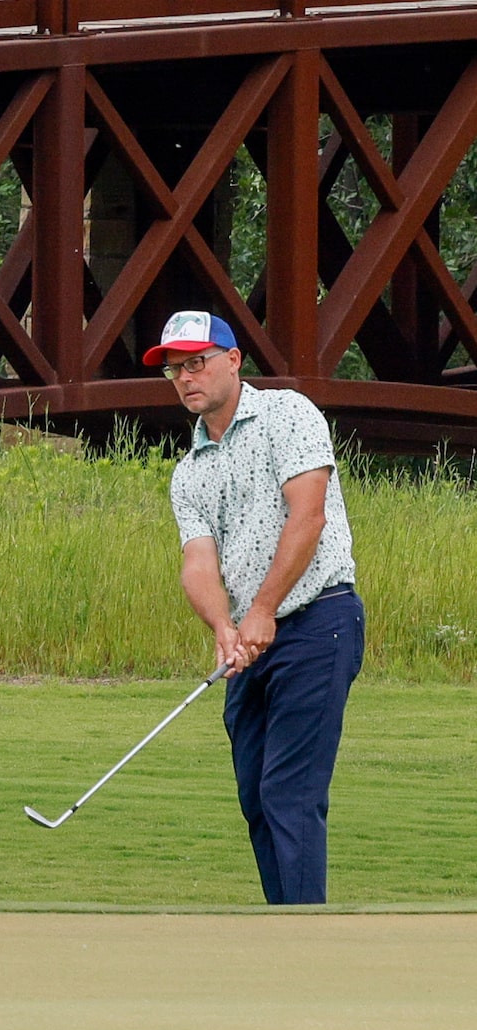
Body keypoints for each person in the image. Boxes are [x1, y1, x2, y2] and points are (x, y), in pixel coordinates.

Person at [150, 310, 363, 905]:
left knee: (288, 792)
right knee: (255, 792)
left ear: (233, 359)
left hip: (320, 619)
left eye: (197, 362)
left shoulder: (287, 414)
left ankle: (301, 938)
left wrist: (263, 609)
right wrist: (224, 626)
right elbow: (198, 562)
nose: (187, 377)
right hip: (251, 637)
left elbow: (309, 517)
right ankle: (285, 923)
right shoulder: (189, 472)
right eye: (175, 370)